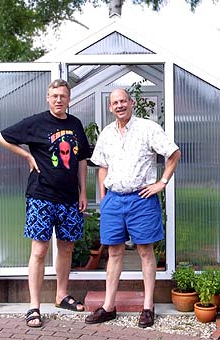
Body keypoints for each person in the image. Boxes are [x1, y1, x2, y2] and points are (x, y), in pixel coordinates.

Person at [0, 79, 91, 327]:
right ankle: (34, 306)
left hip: (69, 199)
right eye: (54, 96)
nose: (59, 100)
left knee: (67, 248)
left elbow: (81, 160)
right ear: (48, 98)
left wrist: (83, 192)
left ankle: (61, 295)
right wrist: (26, 155)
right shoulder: (36, 122)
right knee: (39, 251)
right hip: (41, 196)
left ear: (69, 99)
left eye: (63, 96)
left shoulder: (75, 124)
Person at [85, 88, 181, 328]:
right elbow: (102, 165)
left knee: (145, 252)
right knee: (114, 252)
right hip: (114, 201)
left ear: (131, 102)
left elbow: (174, 153)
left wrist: (162, 183)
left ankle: (148, 306)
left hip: (142, 199)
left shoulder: (148, 128)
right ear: (110, 107)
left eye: (123, 101)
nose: (119, 106)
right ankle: (108, 307)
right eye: (114, 103)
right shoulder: (107, 133)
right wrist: (103, 194)